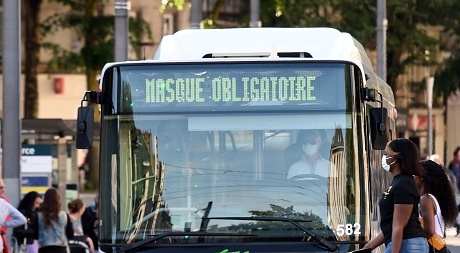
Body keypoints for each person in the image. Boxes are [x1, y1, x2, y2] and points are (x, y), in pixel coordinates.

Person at [363, 138, 428, 252]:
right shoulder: (399, 182)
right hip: (405, 243)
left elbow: (398, 226)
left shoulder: (404, 184)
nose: (384, 158)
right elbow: (391, 226)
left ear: (397, 157)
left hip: (408, 244)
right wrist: (368, 247)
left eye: (386, 154)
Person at [415, 160, 458, 253]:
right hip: (439, 247)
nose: (412, 178)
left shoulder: (425, 199)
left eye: (414, 174)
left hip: (430, 248)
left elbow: (429, 231)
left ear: (422, 177)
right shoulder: (434, 198)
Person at [33, 188, 73, 253]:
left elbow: (36, 236)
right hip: (61, 248)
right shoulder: (64, 215)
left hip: (44, 249)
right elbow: (70, 234)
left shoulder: (39, 216)